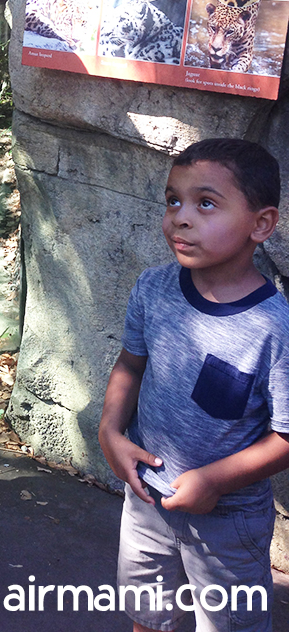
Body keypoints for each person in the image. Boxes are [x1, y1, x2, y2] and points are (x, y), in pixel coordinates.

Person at [98, 138, 289, 632]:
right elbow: (130, 366)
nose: (180, 217)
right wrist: (110, 432)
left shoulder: (275, 330)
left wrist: (214, 481)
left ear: (261, 224)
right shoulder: (152, 288)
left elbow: (286, 437)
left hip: (229, 522)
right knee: (147, 614)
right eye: (173, 200)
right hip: (146, 497)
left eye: (206, 203)